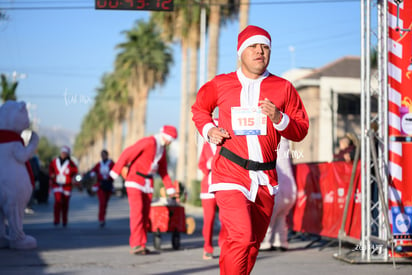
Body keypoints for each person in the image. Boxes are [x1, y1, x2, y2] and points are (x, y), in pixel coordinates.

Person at [191, 25, 309, 274]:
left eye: (265, 47)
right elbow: (199, 109)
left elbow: (300, 129)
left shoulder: (283, 87)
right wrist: (209, 129)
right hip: (230, 172)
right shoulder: (221, 83)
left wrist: (279, 117)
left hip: (266, 178)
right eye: (253, 46)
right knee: (242, 237)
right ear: (240, 52)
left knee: (251, 245)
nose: (260, 51)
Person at [109, 125, 177, 255]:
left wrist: (170, 188)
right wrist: (116, 171)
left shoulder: (162, 150)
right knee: (137, 212)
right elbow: (128, 153)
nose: (169, 142)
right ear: (164, 135)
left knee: (145, 215)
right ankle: (135, 244)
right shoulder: (149, 142)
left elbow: (163, 171)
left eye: (171, 140)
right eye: (169, 139)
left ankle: (142, 244)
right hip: (134, 180)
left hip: (147, 183)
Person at [260, 137, 297, 251]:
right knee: (281, 216)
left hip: (278, 185)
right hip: (289, 187)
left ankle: (266, 241)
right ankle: (280, 240)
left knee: (271, 215)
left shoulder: (270, 140)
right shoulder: (285, 142)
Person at [198, 135, 226, 260]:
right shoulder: (206, 145)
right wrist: (209, 164)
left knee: (225, 218)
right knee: (208, 219)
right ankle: (207, 248)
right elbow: (201, 164)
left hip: (224, 185)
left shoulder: (227, 145)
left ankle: (224, 245)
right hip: (208, 187)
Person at [48, 146, 79, 227]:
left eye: (65, 153)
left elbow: (75, 173)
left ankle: (64, 220)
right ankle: (56, 220)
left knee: (65, 203)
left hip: (67, 186)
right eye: (62, 152)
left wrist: (74, 180)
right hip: (57, 184)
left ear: (68, 154)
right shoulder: (55, 161)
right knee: (57, 202)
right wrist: (52, 175)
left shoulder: (71, 163)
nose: (63, 154)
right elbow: (51, 169)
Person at [90, 149, 115, 228]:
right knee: (102, 203)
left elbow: (115, 171)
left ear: (107, 155)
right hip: (100, 185)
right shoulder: (99, 164)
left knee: (105, 203)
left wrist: (111, 177)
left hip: (108, 185)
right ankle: (101, 219)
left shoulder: (111, 163)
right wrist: (93, 174)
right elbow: (93, 171)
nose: (103, 156)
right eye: (102, 155)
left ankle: (103, 217)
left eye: (104, 155)